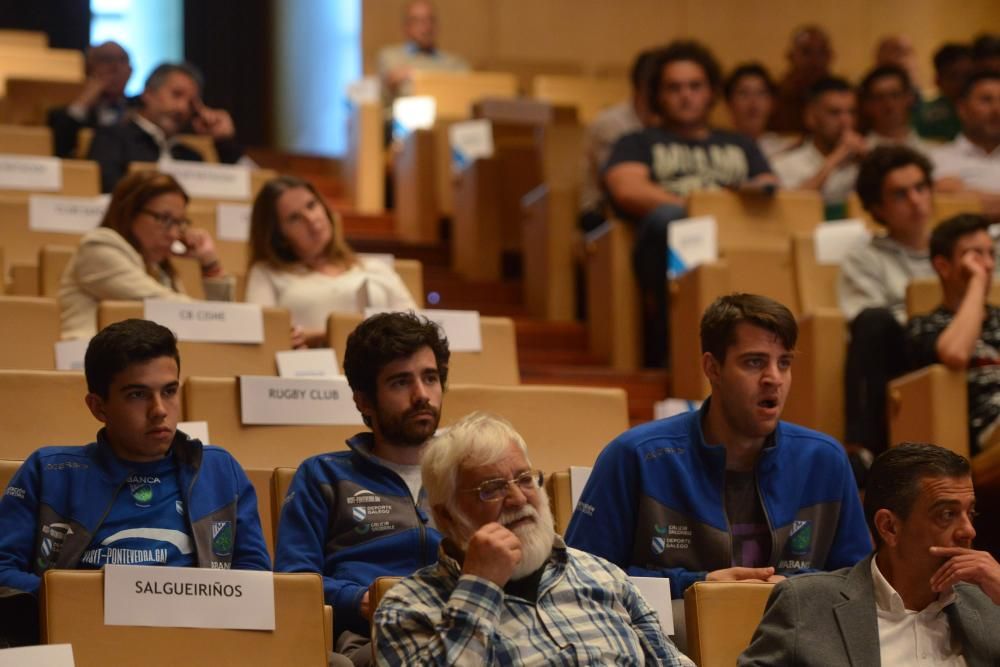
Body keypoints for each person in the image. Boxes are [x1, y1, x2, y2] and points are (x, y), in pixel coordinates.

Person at [565, 294, 870, 599]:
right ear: (712, 368)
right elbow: (579, 578)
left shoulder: (824, 460)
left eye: (784, 363)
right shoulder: (638, 457)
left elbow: (859, 584)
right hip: (672, 642)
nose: (774, 379)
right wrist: (697, 585)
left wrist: (796, 589)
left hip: (796, 642)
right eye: (755, 362)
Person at [0, 319, 271, 647]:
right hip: (82, 639)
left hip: (199, 641)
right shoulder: (51, 470)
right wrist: (84, 600)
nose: (159, 411)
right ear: (98, 407)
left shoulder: (219, 469)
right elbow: (3, 570)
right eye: (137, 395)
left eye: (169, 391)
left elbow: (256, 582)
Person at [373, 411, 693, 666]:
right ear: (446, 515)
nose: (518, 498)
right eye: (492, 488)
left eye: (525, 479)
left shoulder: (604, 576)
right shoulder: (407, 607)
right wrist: (479, 588)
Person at [275, 312, 449, 666]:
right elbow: (294, 584)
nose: (421, 395)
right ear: (364, 401)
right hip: (370, 637)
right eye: (401, 382)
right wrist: (358, 600)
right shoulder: (323, 475)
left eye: (430, 378)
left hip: (465, 620)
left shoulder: (467, 472)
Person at [740, 443, 1000, 666]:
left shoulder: (988, 602)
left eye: (970, 513)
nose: (968, 531)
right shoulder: (806, 605)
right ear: (889, 527)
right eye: (947, 514)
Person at [603, 40, 776, 367]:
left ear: (711, 92)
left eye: (695, 86)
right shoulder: (638, 142)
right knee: (669, 217)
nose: (686, 95)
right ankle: (682, 351)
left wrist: (744, 201)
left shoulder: (740, 144)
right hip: (670, 244)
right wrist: (700, 209)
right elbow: (627, 189)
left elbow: (771, 187)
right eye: (674, 87)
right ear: (658, 96)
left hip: (736, 239)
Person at [838, 146, 937, 460]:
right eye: (900, 194)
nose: (916, 200)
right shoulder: (864, 256)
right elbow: (864, 325)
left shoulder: (960, 249)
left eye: (920, 188)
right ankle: (865, 451)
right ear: (878, 208)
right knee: (875, 320)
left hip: (964, 348)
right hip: (903, 359)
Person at [244, 175, 416, 349]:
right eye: (294, 218)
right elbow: (264, 337)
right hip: (308, 371)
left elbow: (415, 329)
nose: (311, 220)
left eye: (312, 205)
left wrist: (325, 334)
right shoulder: (266, 272)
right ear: (279, 235)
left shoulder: (375, 267)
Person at [59, 170, 233, 340]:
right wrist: (222, 318)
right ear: (130, 212)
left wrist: (209, 262)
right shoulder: (98, 247)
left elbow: (217, 330)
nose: (174, 234)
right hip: (84, 363)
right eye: (164, 219)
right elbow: (162, 306)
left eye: (180, 222)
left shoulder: (159, 268)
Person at [906, 214, 1000, 456]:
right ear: (943, 266)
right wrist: (977, 281)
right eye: (975, 256)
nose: (988, 265)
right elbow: (956, 353)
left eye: (991, 254)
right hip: (989, 430)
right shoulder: (925, 326)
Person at [88, 62, 244, 192]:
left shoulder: (191, 156)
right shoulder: (112, 138)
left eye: (191, 103)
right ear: (148, 94)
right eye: (176, 95)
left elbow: (235, 193)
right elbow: (109, 193)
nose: (183, 108)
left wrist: (224, 142)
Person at [578, 47, 661, 232]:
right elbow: (613, 186)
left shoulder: (665, 125)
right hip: (602, 211)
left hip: (650, 204)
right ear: (643, 85)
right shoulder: (610, 123)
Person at [772, 76, 864, 216]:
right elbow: (792, 211)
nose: (845, 121)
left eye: (851, 112)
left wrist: (870, 162)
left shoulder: (862, 160)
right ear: (811, 117)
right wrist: (833, 161)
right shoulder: (784, 164)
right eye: (834, 113)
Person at [47, 40, 135, 158]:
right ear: (88, 68)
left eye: (123, 60)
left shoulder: (141, 108)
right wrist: (84, 101)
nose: (115, 67)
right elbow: (59, 148)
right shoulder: (65, 115)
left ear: (130, 71)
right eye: (107, 60)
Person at [932, 70, 1000, 218]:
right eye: (986, 100)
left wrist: (966, 196)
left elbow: (958, 204)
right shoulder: (937, 159)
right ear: (962, 108)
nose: (997, 109)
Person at [376, 0, 469, 105]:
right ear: (406, 27)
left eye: (430, 20)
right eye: (418, 21)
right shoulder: (390, 57)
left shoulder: (455, 63)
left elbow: (465, 93)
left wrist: (412, 76)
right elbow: (389, 94)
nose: (426, 27)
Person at [723, 62, 797, 159]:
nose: (753, 102)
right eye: (743, 93)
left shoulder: (786, 149)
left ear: (772, 103)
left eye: (761, 93)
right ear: (729, 102)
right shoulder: (719, 149)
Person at [770, 25, 834, 133]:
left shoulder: (841, 95)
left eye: (821, 52)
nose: (815, 59)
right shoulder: (776, 96)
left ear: (830, 56)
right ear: (790, 56)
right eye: (807, 52)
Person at [859, 65, 932, 154]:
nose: (889, 104)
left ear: (909, 98)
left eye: (895, 95)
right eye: (879, 98)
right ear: (867, 105)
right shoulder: (860, 152)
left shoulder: (932, 149)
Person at [914, 43, 974, 141]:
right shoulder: (923, 114)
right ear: (938, 80)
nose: (962, 82)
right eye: (953, 76)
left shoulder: (988, 110)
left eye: (967, 75)